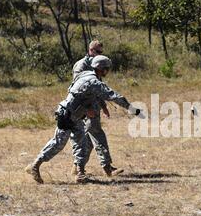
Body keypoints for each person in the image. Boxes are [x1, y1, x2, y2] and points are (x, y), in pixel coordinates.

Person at [25, 55, 141, 184]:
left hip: (77, 116)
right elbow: (114, 96)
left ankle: (80, 173)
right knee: (58, 143)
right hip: (67, 115)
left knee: (82, 143)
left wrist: (87, 108)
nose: (107, 71)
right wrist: (131, 108)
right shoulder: (94, 81)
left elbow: (81, 94)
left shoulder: (85, 74)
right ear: (101, 69)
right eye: (106, 69)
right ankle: (35, 165)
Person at [70, 40, 123, 177]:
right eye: (98, 52)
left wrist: (103, 106)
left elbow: (98, 88)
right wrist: (87, 108)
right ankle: (107, 167)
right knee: (97, 134)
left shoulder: (98, 64)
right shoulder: (81, 65)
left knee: (89, 138)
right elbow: (78, 90)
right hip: (84, 107)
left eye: (101, 52)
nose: (100, 55)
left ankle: (77, 166)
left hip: (94, 106)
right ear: (90, 50)